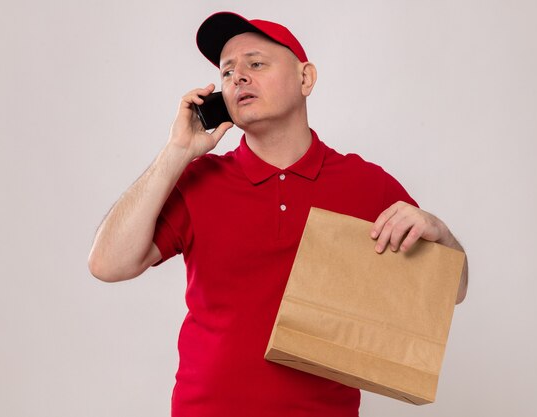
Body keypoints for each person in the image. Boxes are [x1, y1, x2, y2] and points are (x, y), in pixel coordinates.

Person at [88, 11, 468, 417]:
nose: (238, 78)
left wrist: (441, 235)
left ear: (306, 79)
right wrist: (175, 153)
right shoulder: (198, 180)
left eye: (256, 63)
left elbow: (452, 292)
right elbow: (107, 264)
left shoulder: (365, 184)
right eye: (228, 71)